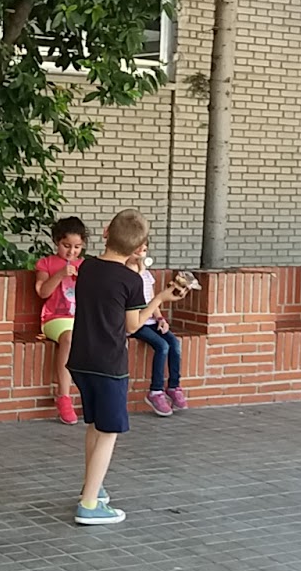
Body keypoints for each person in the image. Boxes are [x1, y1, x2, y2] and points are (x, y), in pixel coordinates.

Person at [69, 209, 187, 525]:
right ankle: (90, 505)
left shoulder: (87, 267)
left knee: (94, 425)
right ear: (139, 248)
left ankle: (92, 487)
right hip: (109, 363)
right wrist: (159, 299)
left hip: (81, 358)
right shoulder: (131, 280)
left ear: (106, 231)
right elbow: (132, 326)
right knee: (109, 431)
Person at [34, 217, 88, 425]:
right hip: (54, 318)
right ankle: (63, 397)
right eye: (67, 246)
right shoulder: (46, 263)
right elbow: (42, 292)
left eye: (77, 247)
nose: (72, 252)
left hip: (79, 318)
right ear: (57, 242)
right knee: (69, 338)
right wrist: (59, 275)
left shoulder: (84, 265)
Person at [126, 241, 187, 415]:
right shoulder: (126, 274)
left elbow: (153, 299)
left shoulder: (146, 275)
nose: (141, 254)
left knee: (174, 343)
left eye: (144, 250)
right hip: (136, 322)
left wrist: (160, 318)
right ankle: (155, 391)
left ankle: (174, 386)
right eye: (136, 249)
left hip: (151, 320)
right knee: (162, 346)